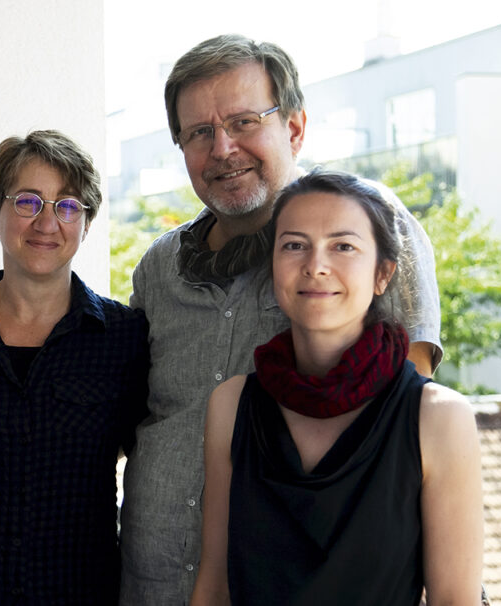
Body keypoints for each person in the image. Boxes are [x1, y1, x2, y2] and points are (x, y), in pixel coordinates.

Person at [120, 35, 443, 604]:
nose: (223, 148)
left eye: (244, 121)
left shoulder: (366, 230)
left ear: (293, 128)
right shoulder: (158, 269)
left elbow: (406, 435)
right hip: (152, 585)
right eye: (198, 132)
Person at [189, 169, 483, 605]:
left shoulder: (437, 417)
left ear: (383, 274)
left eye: (343, 246)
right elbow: (214, 588)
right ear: (273, 268)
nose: (316, 265)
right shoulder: (231, 405)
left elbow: (454, 601)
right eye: (294, 245)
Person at [0, 130, 149, 605]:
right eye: (27, 201)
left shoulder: (124, 339)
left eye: (68, 205)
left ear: (87, 223)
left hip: (78, 594)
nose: (47, 222)